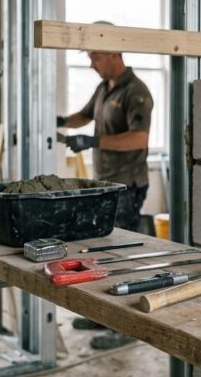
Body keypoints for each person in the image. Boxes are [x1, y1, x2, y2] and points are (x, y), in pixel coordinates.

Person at [58, 24, 154, 350]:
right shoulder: (104, 88)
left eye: (95, 56)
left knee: (120, 256)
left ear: (114, 53)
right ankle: (103, 314)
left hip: (127, 186)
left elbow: (139, 138)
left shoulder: (136, 91)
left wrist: (94, 141)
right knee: (100, 254)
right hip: (105, 186)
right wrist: (57, 122)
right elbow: (83, 117)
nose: (91, 63)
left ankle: (125, 326)